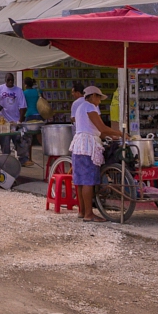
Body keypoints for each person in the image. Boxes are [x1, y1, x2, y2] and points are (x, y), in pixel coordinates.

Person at [69, 86, 123, 222]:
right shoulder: (90, 107)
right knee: (88, 181)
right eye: (98, 97)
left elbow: (95, 129)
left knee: (81, 181)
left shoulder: (80, 107)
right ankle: (89, 214)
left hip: (79, 145)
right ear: (93, 96)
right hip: (87, 146)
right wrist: (120, 133)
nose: (99, 101)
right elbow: (102, 128)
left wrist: (111, 135)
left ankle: (82, 211)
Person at [0, 73, 33, 167]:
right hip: (3, 122)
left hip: (15, 122)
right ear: (5, 80)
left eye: (12, 80)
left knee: (20, 141)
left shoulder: (18, 91)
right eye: (8, 80)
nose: (10, 82)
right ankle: (6, 162)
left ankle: (23, 160)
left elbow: (23, 107)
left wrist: (20, 121)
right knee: (5, 144)